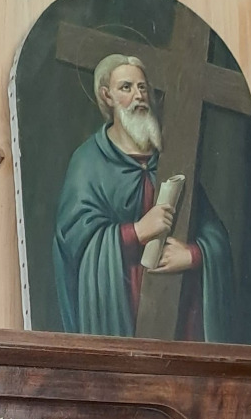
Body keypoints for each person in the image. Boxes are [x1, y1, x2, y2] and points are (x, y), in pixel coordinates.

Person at [52, 53, 233, 340]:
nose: (138, 96)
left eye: (142, 88)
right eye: (126, 87)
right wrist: (137, 232)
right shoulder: (88, 162)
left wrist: (193, 255)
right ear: (107, 96)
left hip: (181, 317)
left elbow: (215, 235)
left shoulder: (172, 158)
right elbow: (74, 240)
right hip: (121, 313)